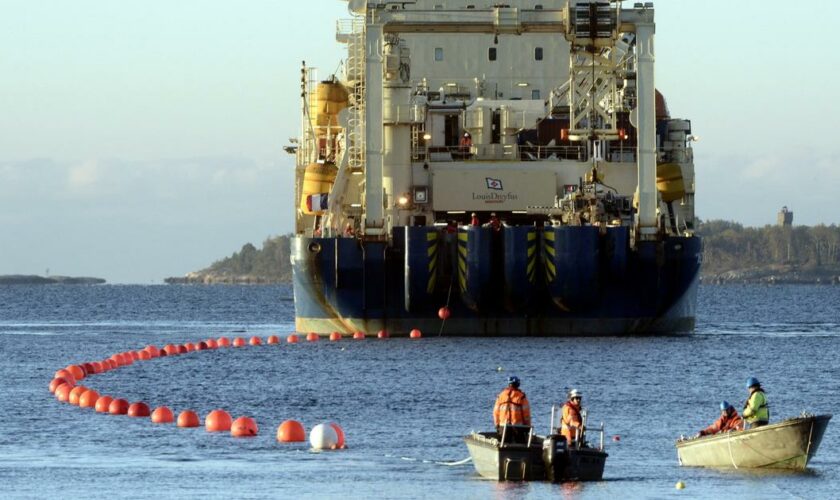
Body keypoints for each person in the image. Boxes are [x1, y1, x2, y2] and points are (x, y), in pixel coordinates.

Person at [493, 375, 531, 442]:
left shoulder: (501, 395)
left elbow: (495, 412)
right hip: (518, 427)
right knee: (521, 445)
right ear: (517, 384)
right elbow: (526, 414)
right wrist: (528, 426)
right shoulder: (521, 397)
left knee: (504, 444)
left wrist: (497, 425)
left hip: (503, 426)